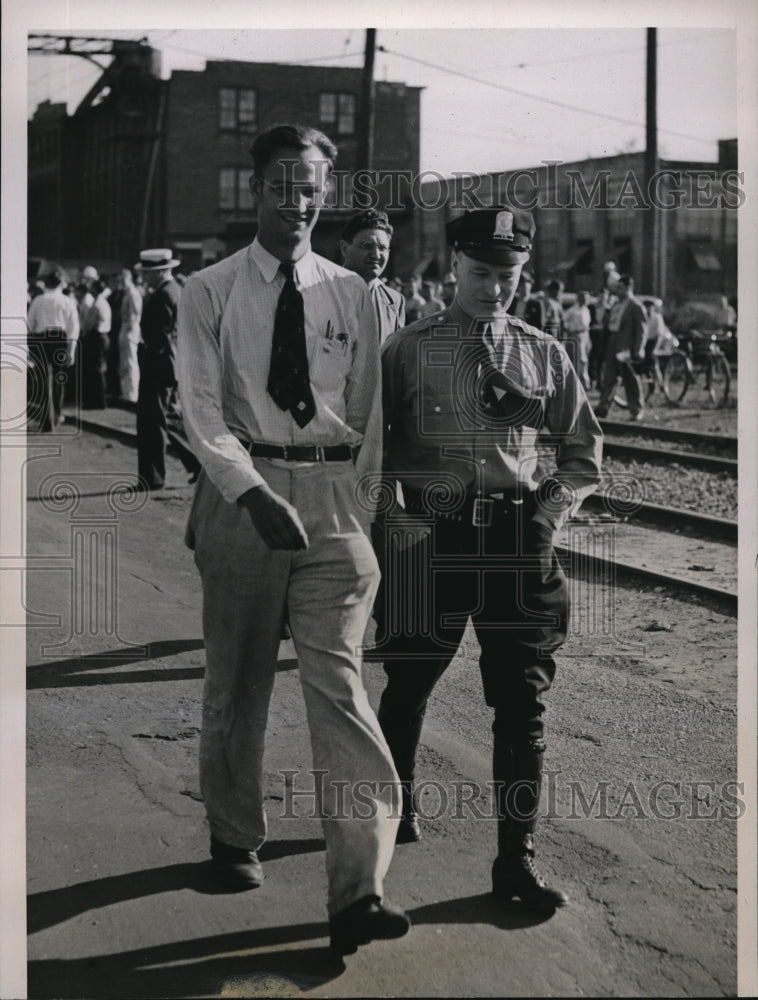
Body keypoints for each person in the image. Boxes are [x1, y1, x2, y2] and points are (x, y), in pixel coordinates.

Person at [176, 123, 409, 956]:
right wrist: (246, 490)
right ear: (256, 191)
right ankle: (235, 836)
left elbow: (374, 418)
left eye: (310, 188)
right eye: (280, 186)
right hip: (243, 497)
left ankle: (360, 888)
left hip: (335, 500)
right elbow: (201, 411)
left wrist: (365, 507)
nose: (296, 203)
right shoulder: (207, 291)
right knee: (236, 683)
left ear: (324, 194)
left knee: (341, 688)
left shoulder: (356, 293)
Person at [376, 206, 602, 908]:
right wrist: (397, 524)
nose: (494, 289)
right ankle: (395, 808)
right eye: (480, 273)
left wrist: (548, 516)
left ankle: (515, 862)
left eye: (507, 276)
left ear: (522, 274)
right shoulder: (408, 350)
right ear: (454, 269)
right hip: (431, 537)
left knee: (522, 702)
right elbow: (373, 453)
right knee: (409, 682)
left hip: (516, 541)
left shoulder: (544, 351)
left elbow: (582, 453)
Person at [135, 248, 201, 489]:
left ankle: (152, 478)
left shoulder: (162, 296)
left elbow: (160, 337)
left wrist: (148, 354)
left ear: (161, 272)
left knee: (152, 423)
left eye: (148, 272)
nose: (144, 276)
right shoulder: (175, 291)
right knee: (170, 419)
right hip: (170, 365)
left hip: (158, 366)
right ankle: (200, 465)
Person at [340, 208, 405, 345]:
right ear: (344, 248)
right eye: (367, 246)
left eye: (382, 248)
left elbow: (395, 358)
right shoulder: (322, 292)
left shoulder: (394, 301)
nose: (376, 255)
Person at [26, 267, 80, 431]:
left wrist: (30, 346)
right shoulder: (67, 301)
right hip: (60, 340)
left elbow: (30, 324)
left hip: (41, 339)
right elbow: (73, 327)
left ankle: (46, 418)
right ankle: (56, 415)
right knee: (59, 379)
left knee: (43, 380)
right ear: (61, 283)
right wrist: (71, 350)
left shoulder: (38, 300)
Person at [594, 274, 648, 421]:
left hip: (626, 344)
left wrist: (638, 349)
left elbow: (642, 329)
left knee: (629, 377)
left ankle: (636, 409)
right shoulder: (616, 304)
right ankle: (603, 406)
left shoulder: (636, 306)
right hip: (612, 341)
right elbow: (607, 322)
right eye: (617, 287)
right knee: (609, 376)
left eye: (620, 287)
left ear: (629, 288)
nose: (617, 290)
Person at [80, 277, 112, 410]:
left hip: (96, 336)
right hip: (102, 336)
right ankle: (98, 400)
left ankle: (97, 401)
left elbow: (89, 323)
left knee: (95, 370)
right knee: (98, 368)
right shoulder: (103, 302)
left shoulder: (97, 304)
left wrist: (84, 331)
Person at [119, 266, 143, 403]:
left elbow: (135, 313)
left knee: (130, 362)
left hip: (130, 329)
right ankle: (126, 392)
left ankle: (132, 393)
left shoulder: (133, 293)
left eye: (123, 279)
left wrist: (130, 330)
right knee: (125, 362)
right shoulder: (128, 293)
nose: (121, 282)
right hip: (126, 328)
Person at [562, 290, 592, 390]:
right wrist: (569, 330)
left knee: (585, 359)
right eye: (582, 298)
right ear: (578, 299)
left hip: (585, 335)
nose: (585, 300)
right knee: (580, 359)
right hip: (576, 335)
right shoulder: (573, 310)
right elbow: (564, 320)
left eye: (586, 299)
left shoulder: (586, 310)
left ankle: (584, 381)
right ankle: (581, 382)